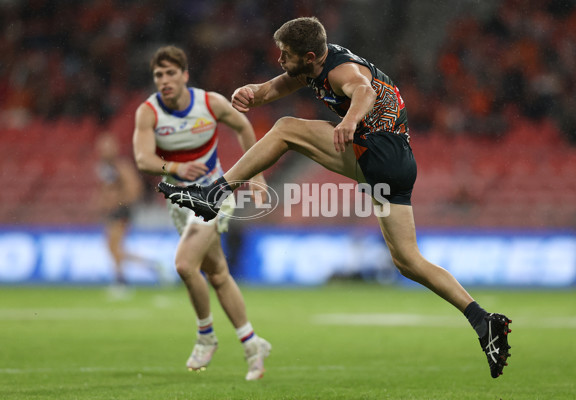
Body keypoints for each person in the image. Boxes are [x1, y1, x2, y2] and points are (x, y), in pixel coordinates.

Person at [157, 17, 513, 379]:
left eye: (285, 55)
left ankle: (212, 193)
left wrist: (349, 121)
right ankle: (483, 321)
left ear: (309, 56)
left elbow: (364, 91)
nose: (279, 60)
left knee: (286, 129)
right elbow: (276, 86)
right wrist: (254, 92)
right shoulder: (313, 67)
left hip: (379, 151)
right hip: (397, 164)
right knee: (407, 260)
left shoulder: (342, 70)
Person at [133, 46, 271, 380]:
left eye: (170, 73)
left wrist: (255, 174)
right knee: (219, 274)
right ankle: (253, 344)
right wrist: (175, 166)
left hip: (215, 194)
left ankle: (206, 335)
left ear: (185, 75)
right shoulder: (149, 112)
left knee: (183, 264)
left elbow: (243, 127)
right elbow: (142, 159)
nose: (164, 81)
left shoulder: (209, 103)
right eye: (158, 75)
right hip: (181, 203)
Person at [95, 132, 166, 294]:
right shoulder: (106, 169)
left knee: (114, 246)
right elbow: (107, 191)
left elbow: (134, 188)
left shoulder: (121, 166)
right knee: (113, 247)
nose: (103, 151)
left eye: (107, 147)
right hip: (115, 210)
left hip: (122, 210)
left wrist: (120, 203)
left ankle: (121, 282)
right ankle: (150, 265)